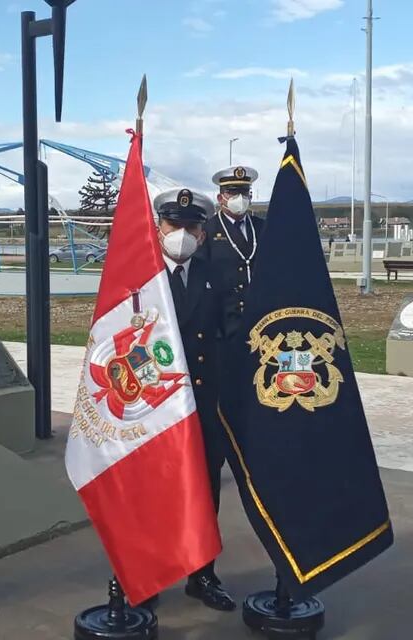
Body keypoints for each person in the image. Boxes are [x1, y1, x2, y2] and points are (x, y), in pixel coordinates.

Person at [154, 187, 236, 612]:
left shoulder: (216, 273)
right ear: (159, 227)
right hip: (153, 405)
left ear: (202, 234)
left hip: (204, 400)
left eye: (190, 227)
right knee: (151, 492)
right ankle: (146, 576)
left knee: (204, 489)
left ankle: (202, 574)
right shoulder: (142, 274)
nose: (181, 233)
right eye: (174, 225)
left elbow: (232, 328)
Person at [199, 165, 264, 340]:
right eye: (233, 193)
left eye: (244, 193)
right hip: (224, 319)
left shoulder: (262, 227)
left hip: (260, 315)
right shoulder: (208, 230)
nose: (239, 198)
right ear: (221, 198)